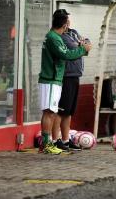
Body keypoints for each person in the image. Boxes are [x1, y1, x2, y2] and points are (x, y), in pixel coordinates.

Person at [38, 9, 91, 154]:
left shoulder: (55, 36)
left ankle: (47, 143)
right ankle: (47, 144)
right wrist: (82, 49)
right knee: (49, 112)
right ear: (64, 25)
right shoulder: (54, 37)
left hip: (55, 79)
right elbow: (65, 54)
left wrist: (82, 46)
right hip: (50, 79)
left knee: (51, 112)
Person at [51, 15, 88, 151]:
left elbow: (87, 42)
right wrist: (81, 46)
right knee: (61, 110)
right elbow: (73, 49)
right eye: (65, 20)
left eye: (68, 19)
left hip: (76, 75)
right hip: (66, 76)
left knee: (69, 111)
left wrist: (81, 45)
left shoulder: (73, 32)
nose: (68, 22)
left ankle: (66, 140)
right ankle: (55, 140)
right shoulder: (60, 36)